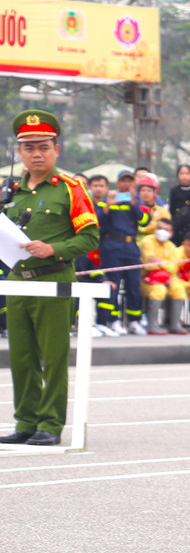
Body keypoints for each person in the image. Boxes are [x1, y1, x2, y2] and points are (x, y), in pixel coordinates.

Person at [1, 110, 101, 446]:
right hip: (18, 280)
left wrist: (52, 249)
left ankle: (50, 424)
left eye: (43, 147)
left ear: (56, 149)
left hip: (54, 278)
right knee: (21, 355)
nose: (36, 154)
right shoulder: (10, 191)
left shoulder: (70, 189)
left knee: (54, 356)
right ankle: (26, 422)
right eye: (29, 148)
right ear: (19, 152)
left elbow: (90, 238)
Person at [96, 168, 150, 335]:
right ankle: (113, 320)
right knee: (114, 283)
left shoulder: (137, 202)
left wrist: (134, 204)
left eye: (129, 181)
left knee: (133, 284)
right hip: (112, 246)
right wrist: (108, 206)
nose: (126, 184)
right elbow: (98, 222)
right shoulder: (107, 201)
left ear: (133, 183)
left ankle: (134, 320)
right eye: (123, 181)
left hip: (131, 247)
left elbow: (145, 221)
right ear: (118, 183)